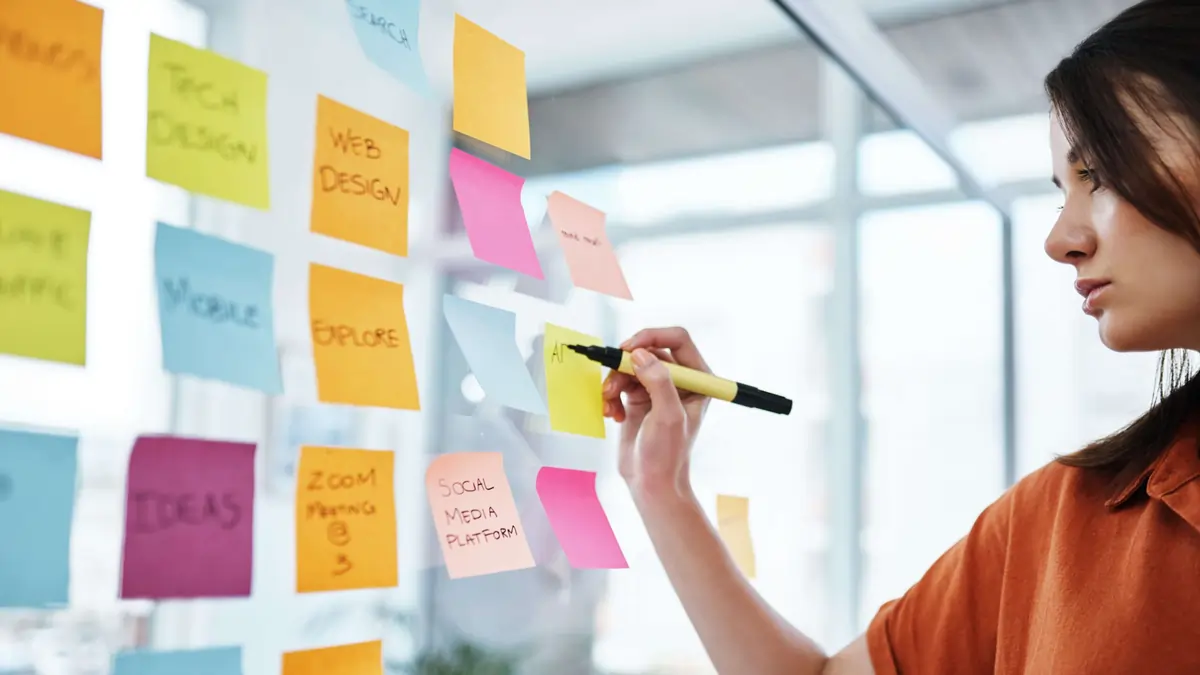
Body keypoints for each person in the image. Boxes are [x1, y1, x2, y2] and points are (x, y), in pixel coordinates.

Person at [600, 1, 1200, 673]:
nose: (1061, 239)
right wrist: (660, 486)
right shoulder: (1060, 522)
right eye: (1064, 192)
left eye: (1101, 173)